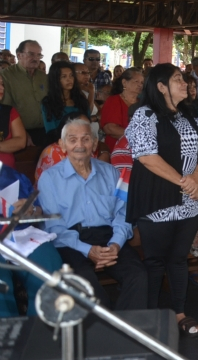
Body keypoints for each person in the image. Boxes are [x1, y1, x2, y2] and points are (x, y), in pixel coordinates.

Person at [125, 64, 198, 337]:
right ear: (161, 87)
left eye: (184, 80)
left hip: (190, 200)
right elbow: (147, 156)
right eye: (177, 80)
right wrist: (184, 182)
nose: (184, 84)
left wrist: (196, 177)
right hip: (158, 199)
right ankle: (150, 318)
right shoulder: (144, 115)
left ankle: (179, 312)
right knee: (154, 261)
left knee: (177, 259)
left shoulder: (191, 114)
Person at [39, 118, 148, 310]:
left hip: (108, 236)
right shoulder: (49, 178)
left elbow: (123, 214)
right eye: (72, 140)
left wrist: (115, 244)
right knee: (85, 285)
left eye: (85, 139)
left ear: (95, 144)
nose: (79, 145)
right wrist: (87, 250)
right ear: (63, 146)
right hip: (70, 242)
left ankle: (125, 332)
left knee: (137, 275)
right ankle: (107, 332)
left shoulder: (111, 173)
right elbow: (55, 228)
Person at [0, 163, 63, 318]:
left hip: (20, 232)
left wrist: (31, 209)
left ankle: (39, 332)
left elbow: (38, 207)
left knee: (49, 265)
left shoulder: (10, 174)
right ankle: (8, 336)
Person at [2, 40, 48, 147]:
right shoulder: (6, 76)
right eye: (31, 54)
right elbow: (6, 109)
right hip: (19, 134)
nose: (36, 58)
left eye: (39, 55)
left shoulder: (43, 77)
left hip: (45, 131)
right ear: (19, 55)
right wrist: (22, 134)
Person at [41, 61, 89, 143]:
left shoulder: (81, 100)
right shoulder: (48, 102)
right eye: (64, 76)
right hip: (59, 143)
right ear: (55, 79)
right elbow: (50, 131)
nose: (69, 79)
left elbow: (88, 124)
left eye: (71, 76)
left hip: (83, 141)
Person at [101, 68, 145, 152]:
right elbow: (110, 128)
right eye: (136, 81)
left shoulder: (143, 104)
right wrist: (138, 136)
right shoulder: (113, 100)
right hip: (117, 150)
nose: (140, 85)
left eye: (142, 83)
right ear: (124, 82)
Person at [0, 77, 27, 168]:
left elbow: (21, 141)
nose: (2, 88)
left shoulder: (9, 111)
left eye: (2, 84)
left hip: (7, 175)